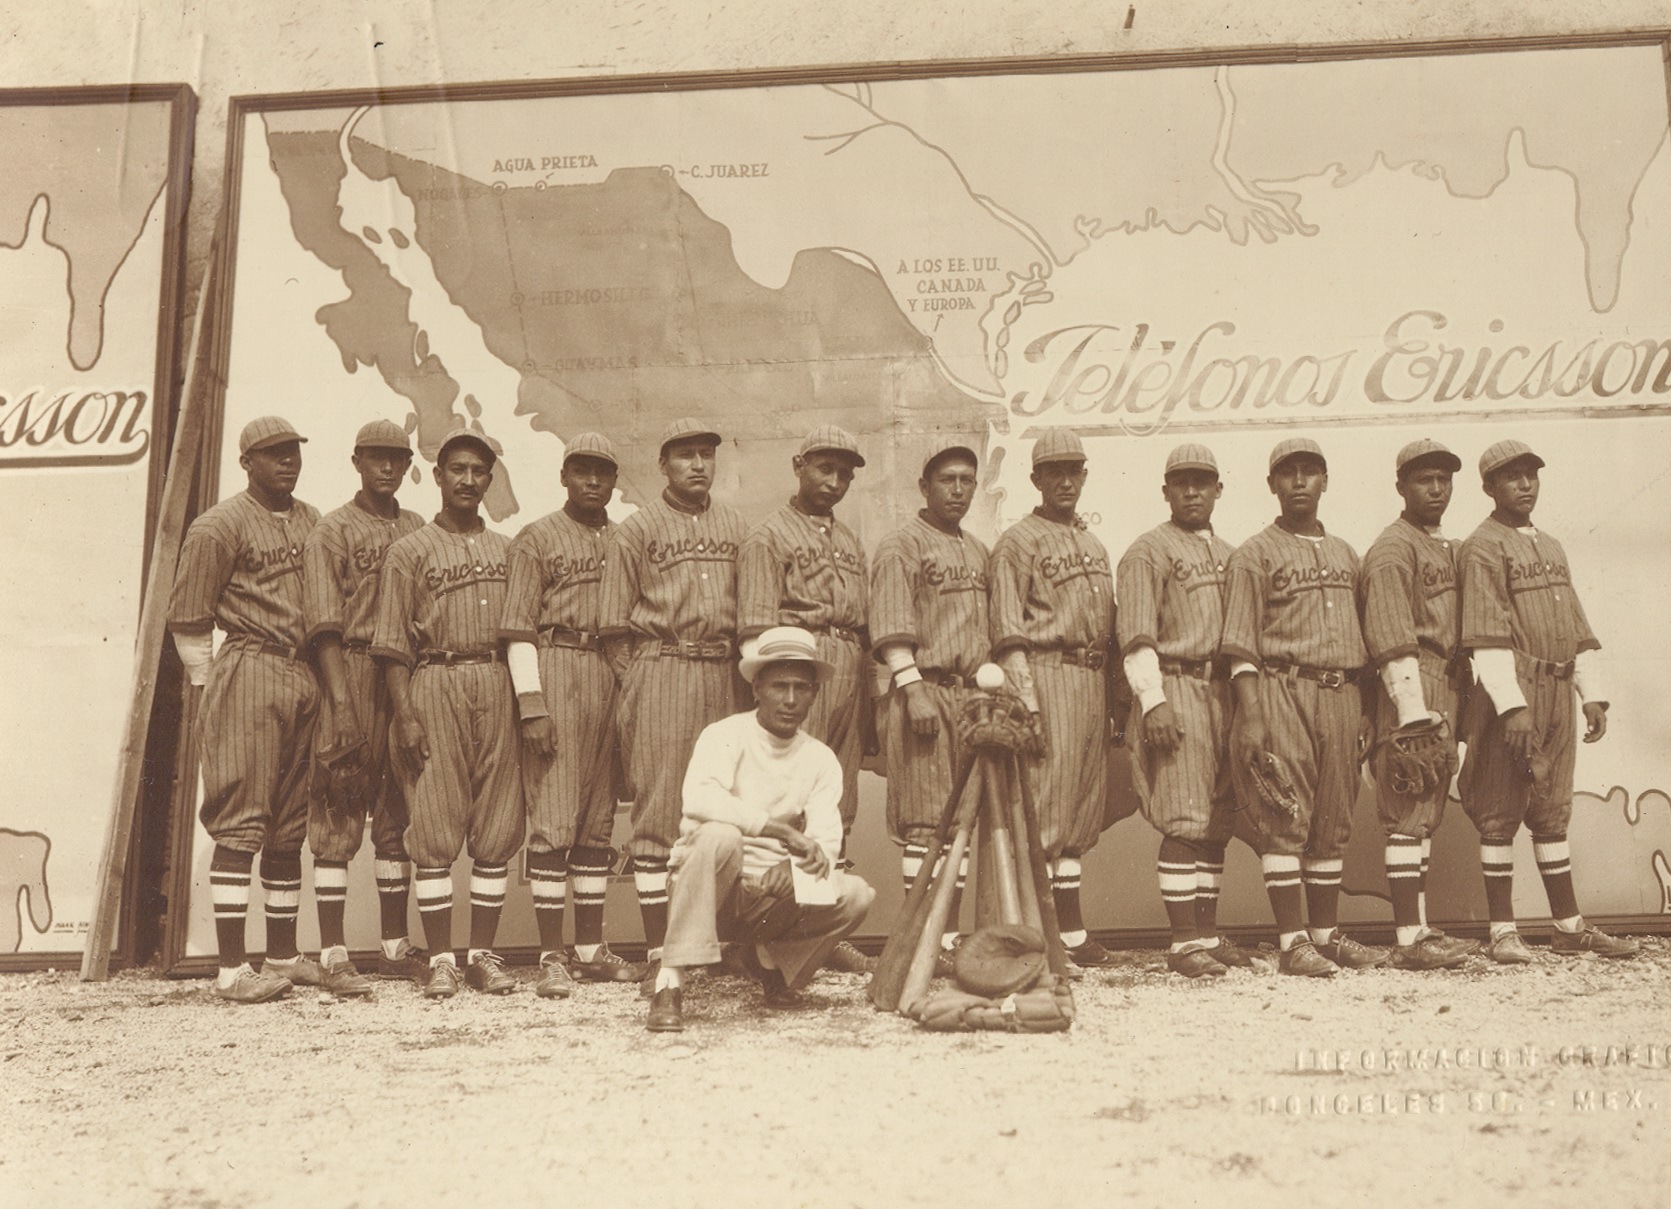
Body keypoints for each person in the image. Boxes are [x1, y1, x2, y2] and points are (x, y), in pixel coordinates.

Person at [645, 627, 877, 1032]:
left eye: (801, 688)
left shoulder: (821, 759)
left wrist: (797, 867)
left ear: (814, 694)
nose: (790, 700)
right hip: (713, 886)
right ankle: (670, 982)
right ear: (756, 688)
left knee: (856, 894)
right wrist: (780, 832)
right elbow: (699, 800)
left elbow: (824, 841)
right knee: (722, 836)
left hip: (774, 895)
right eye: (779, 686)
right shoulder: (725, 735)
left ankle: (771, 966)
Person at [1458, 439, 1637, 961]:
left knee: (1552, 810)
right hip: (1512, 689)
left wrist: (1592, 694)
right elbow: (1487, 637)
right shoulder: (1483, 545)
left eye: (1531, 474)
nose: (1525, 484)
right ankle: (1501, 930)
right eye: (1511, 477)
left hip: (1558, 690)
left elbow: (1577, 630)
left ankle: (1568, 926)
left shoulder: (1552, 545)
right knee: (1499, 807)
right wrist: (1511, 706)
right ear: (1489, 487)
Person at [167, 416, 322, 1003]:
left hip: (303, 666)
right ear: (246, 461)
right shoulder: (218, 525)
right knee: (242, 815)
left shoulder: (311, 519)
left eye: (292, 451)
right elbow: (188, 618)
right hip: (251, 663)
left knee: (288, 824)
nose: (287, 461)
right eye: (272, 453)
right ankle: (232, 970)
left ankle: (282, 953)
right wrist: (213, 690)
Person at [1223, 437, 1385, 977]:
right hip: (1282, 687)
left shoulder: (1346, 553)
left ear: (1324, 481)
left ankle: (1325, 934)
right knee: (1284, 813)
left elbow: (1369, 637)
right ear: (1272, 484)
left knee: (1332, 818)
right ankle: (1293, 941)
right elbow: (1241, 644)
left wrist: (1369, 707)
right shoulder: (1255, 552)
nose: (1298, 482)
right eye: (1287, 473)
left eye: (1309, 472)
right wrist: (1252, 713)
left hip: (1342, 692)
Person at [373, 427, 523, 998]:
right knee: (434, 825)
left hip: (496, 677)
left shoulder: (510, 550)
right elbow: (390, 645)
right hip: (434, 677)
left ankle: (482, 954)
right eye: (456, 469)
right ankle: (440, 959)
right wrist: (404, 715)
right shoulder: (408, 551)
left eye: (478, 471)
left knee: (498, 823)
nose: (467, 480)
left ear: (490, 480)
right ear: (436, 477)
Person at [600, 417, 747, 990]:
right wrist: (638, 682)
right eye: (685, 455)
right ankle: (665, 950)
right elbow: (613, 626)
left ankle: (722, 942)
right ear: (663, 464)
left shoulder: (736, 527)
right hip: (662, 665)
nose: (698, 465)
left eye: (706, 454)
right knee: (660, 815)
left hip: (724, 674)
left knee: (726, 810)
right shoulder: (636, 531)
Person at [501, 432, 647, 997]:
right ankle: (551, 954)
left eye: (603, 472)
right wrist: (531, 703)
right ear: (565, 476)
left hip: (612, 667)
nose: (592, 481)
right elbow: (518, 626)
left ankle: (589, 949)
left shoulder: (627, 538)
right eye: (582, 470)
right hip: (557, 661)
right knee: (554, 821)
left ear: (614, 480)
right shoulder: (536, 537)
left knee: (596, 819)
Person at [737, 424, 871, 973]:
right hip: (799, 664)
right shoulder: (768, 535)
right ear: (799, 465)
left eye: (844, 473)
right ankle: (776, 929)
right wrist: (775, 692)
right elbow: (755, 627)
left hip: (848, 666)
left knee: (838, 801)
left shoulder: (848, 538)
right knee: (790, 796)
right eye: (824, 468)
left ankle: (823, 923)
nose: (834, 481)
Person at [1116, 443, 1252, 978]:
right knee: (1182, 816)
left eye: (1203, 482)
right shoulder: (1148, 550)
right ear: (1166, 490)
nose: (1192, 491)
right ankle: (1181, 941)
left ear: (1219, 488)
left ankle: (1207, 932)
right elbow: (1136, 636)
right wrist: (1152, 701)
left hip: (1222, 692)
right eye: (1182, 482)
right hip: (1176, 685)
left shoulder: (1234, 552)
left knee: (1215, 821)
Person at [301, 419, 428, 994]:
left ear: (407, 466)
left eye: (397, 458)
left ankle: (395, 947)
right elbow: (324, 626)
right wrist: (341, 703)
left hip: (401, 672)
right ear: (356, 461)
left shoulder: (417, 527)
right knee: (338, 810)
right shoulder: (332, 530)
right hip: (349, 667)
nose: (387, 467)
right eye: (376, 457)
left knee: (398, 812)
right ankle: (332, 952)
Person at [988, 429, 1117, 969]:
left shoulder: (1093, 543)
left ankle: (1071, 930)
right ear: (1036, 479)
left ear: (1084, 476)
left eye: (1074, 470)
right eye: (1053, 471)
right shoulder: (1018, 541)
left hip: (1089, 680)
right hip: (1046, 673)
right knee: (1042, 812)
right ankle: (1032, 933)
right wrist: (1026, 700)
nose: (1065, 480)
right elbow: (1007, 630)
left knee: (1080, 814)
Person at [1359, 439, 1479, 971]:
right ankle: (1409, 938)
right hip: (1412, 679)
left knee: (1426, 809)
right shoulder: (1393, 547)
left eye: (1444, 480)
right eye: (1424, 480)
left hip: (1443, 678)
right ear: (1402, 486)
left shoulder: (1440, 545)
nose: (1436, 489)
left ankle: (1420, 927)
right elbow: (1389, 636)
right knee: (1410, 803)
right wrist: (1413, 710)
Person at [870, 438, 990, 968]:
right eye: (948, 480)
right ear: (924, 487)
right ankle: (924, 937)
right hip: (924, 687)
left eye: (967, 479)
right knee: (925, 822)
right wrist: (911, 686)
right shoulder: (902, 544)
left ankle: (943, 939)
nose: (959, 489)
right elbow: (893, 624)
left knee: (959, 819)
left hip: (968, 694)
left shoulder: (977, 548)